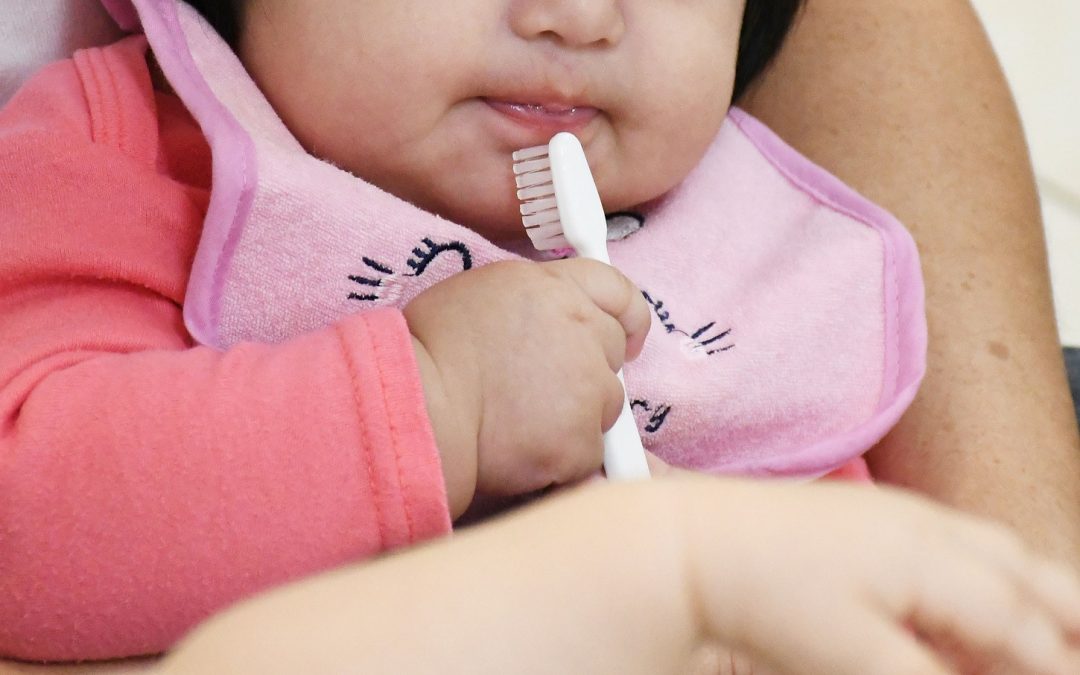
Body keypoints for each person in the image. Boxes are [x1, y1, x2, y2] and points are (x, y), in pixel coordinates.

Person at [0, 0, 1075, 669]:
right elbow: (25, 523)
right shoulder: (126, 152)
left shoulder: (744, 249)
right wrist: (434, 400)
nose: (578, 15)